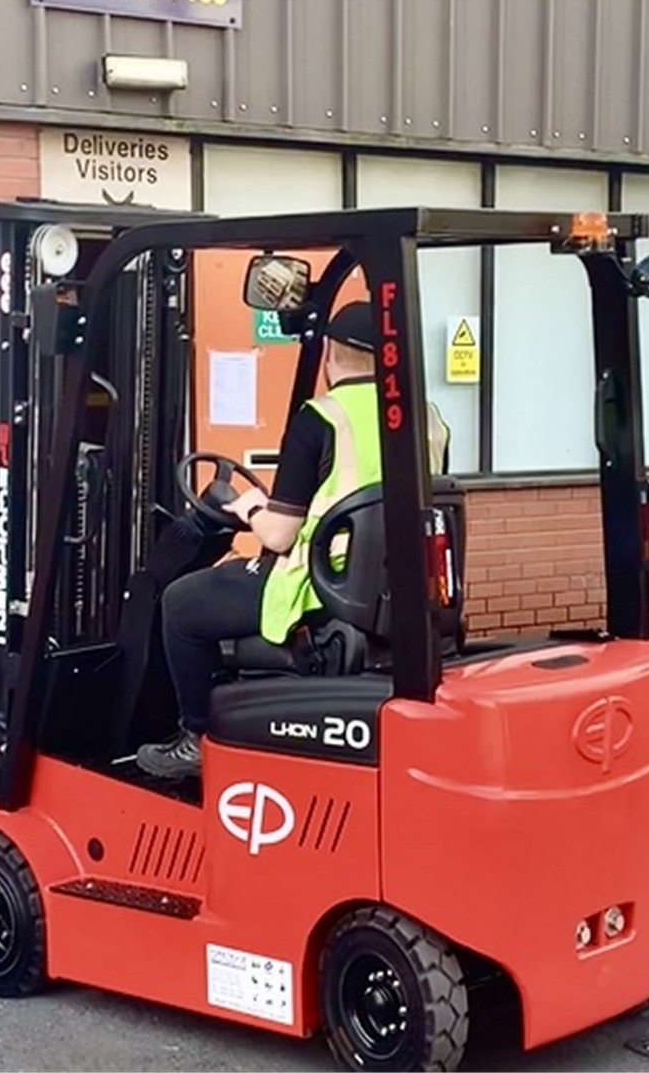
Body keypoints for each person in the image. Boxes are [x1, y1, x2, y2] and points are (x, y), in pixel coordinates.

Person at [137, 299, 450, 779]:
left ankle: (196, 739)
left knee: (181, 603)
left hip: (320, 586)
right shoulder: (427, 417)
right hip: (396, 589)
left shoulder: (321, 417)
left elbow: (281, 535)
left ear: (329, 352)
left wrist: (249, 506)